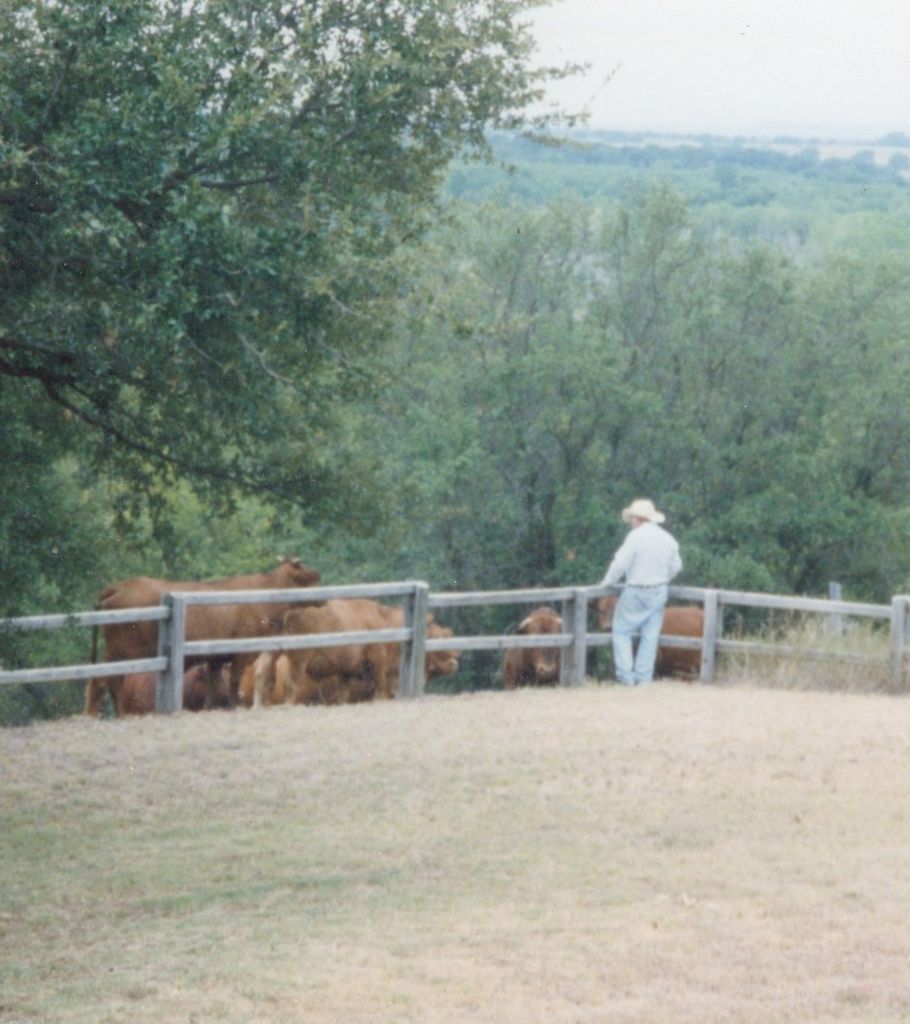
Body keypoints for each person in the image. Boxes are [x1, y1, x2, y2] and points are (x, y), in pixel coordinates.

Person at [599, 498, 682, 685]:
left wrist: (607, 582)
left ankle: (626, 677)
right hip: (658, 590)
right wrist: (663, 579)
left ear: (638, 518)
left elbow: (620, 564)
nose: (630, 521)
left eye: (632, 518)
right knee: (650, 635)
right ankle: (643, 678)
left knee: (621, 631)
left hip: (636, 589)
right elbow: (677, 565)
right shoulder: (667, 538)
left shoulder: (635, 537)